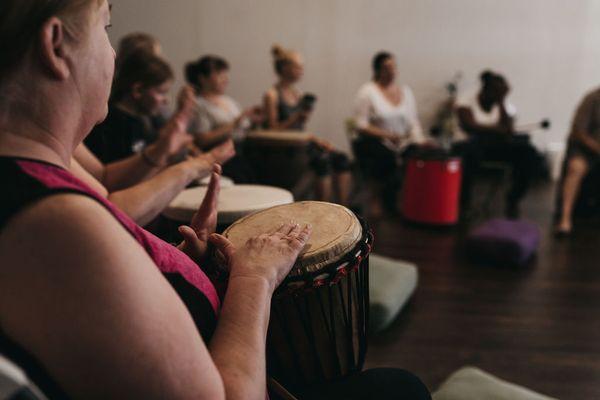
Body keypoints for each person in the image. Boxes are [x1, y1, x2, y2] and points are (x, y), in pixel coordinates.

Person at [0, 1, 431, 399]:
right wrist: (254, 278)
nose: (112, 54)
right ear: (56, 45)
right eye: (105, 28)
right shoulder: (54, 223)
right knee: (400, 388)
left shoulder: (37, 185)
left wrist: (175, 259)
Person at [263, 44, 353, 206]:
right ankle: (322, 212)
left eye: (302, 67)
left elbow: (300, 127)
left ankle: (343, 211)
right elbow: (272, 130)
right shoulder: (272, 95)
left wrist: (304, 123)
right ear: (284, 68)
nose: (301, 70)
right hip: (285, 149)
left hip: (302, 143)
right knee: (322, 161)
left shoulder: (297, 93)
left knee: (342, 159)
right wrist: (297, 117)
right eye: (297, 67)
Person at [454, 70, 538, 218]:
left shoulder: (504, 105)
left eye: (503, 95)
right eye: (498, 95)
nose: (501, 98)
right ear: (486, 90)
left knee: (529, 152)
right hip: (469, 145)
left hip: (493, 146)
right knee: (469, 151)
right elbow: (470, 127)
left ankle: (513, 198)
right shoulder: (466, 101)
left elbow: (508, 130)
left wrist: (501, 104)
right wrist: (497, 129)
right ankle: (464, 202)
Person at [353, 51, 428, 214]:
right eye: (387, 68)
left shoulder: (406, 92)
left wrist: (420, 140)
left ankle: (413, 203)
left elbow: (413, 122)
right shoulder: (367, 92)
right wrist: (388, 135)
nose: (392, 71)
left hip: (401, 141)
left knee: (420, 155)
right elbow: (360, 125)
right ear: (378, 70)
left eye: (394, 67)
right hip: (375, 141)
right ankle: (380, 202)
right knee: (386, 158)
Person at [185, 55, 261, 183]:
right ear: (203, 78)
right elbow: (202, 140)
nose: (226, 79)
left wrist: (254, 119)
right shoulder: (198, 105)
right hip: (221, 157)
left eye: (226, 75)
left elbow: (244, 128)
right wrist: (237, 122)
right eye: (220, 75)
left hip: (241, 152)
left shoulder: (229, 101)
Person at [555, 87, 600, 235]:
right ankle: (565, 219)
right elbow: (578, 131)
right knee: (576, 168)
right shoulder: (592, 98)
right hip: (585, 150)